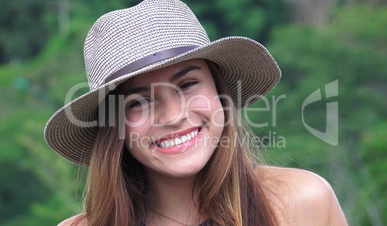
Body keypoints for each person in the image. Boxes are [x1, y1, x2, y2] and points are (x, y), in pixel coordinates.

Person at [44, 0, 348, 225]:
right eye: (139, 101)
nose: (173, 115)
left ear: (218, 89)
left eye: (187, 84)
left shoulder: (301, 203)